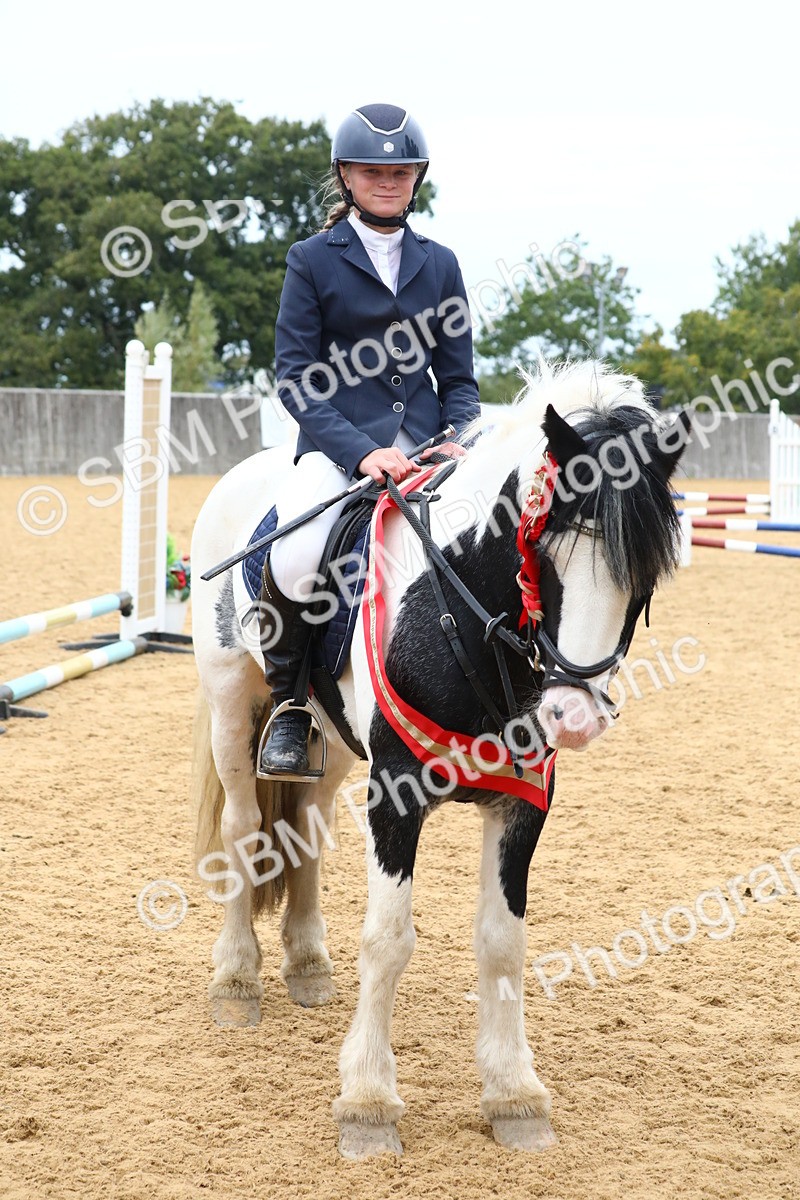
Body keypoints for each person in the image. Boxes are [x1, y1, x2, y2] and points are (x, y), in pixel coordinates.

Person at [259, 102, 481, 778]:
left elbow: (459, 380)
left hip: (429, 448)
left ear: (417, 179)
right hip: (339, 448)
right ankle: (289, 705)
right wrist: (360, 450)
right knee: (298, 553)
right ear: (346, 177)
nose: (387, 181)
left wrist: (456, 438)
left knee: (493, 535)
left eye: (400, 172)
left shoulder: (441, 264)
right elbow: (295, 377)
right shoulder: (311, 260)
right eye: (372, 171)